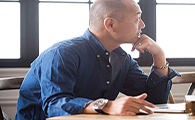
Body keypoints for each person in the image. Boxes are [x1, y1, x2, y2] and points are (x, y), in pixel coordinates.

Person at [15, 0, 180, 119]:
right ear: (110, 25)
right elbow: (54, 106)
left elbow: (155, 101)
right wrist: (107, 105)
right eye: (137, 18)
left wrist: (159, 56)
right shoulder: (62, 54)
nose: (142, 25)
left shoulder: (122, 59)